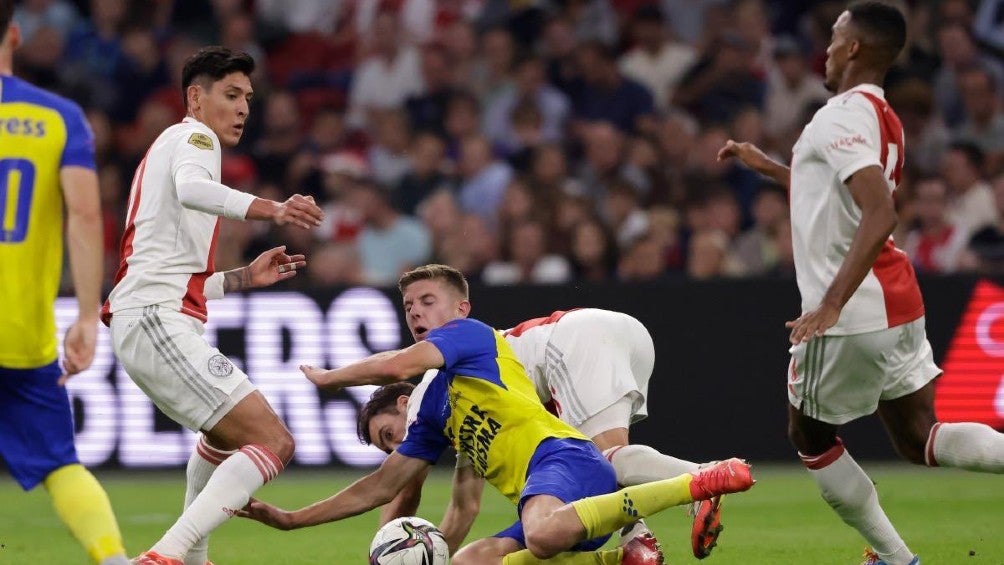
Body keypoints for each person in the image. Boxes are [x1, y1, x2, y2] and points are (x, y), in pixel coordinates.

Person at [717, 3, 1004, 565]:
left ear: (853, 48)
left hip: (855, 307)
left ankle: (896, 559)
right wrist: (769, 167)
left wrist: (831, 304)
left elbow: (880, 212)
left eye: (834, 37)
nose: (825, 49)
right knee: (920, 436)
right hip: (899, 300)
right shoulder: (881, 115)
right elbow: (833, 193)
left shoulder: (840, 116)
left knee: (809, 436)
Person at [238, 264, 755, 565]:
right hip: (587, 394)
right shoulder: (448, 411)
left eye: (426, 300)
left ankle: (701, 480)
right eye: (408, 306)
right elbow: (407, 493)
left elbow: (396, 369)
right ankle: (629, 548)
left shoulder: (460, 344)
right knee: (480, 555)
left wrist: (332, 377)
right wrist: (291, 520)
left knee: (602, 464)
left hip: (569, 370)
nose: (414, 311)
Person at [101, 46, 325, 565]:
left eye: (247, 97)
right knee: (273, 441)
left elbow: (173, 270)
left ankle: (192, 558)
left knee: (223, 439)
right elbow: (193, 188)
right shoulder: (195, 138)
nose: (243, 107)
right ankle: (165, 557)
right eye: (230, 94)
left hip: (153, 313)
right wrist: (273, 208)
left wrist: (242, 277)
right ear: (195, 99)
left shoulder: (172, 144)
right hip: (154, 318)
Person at [0, 4, 128, 564]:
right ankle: (114, 559)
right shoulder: (58, 117)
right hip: (22, 332)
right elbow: (84, 214)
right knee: (60, 463)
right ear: (14, 34)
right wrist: (85, 315)